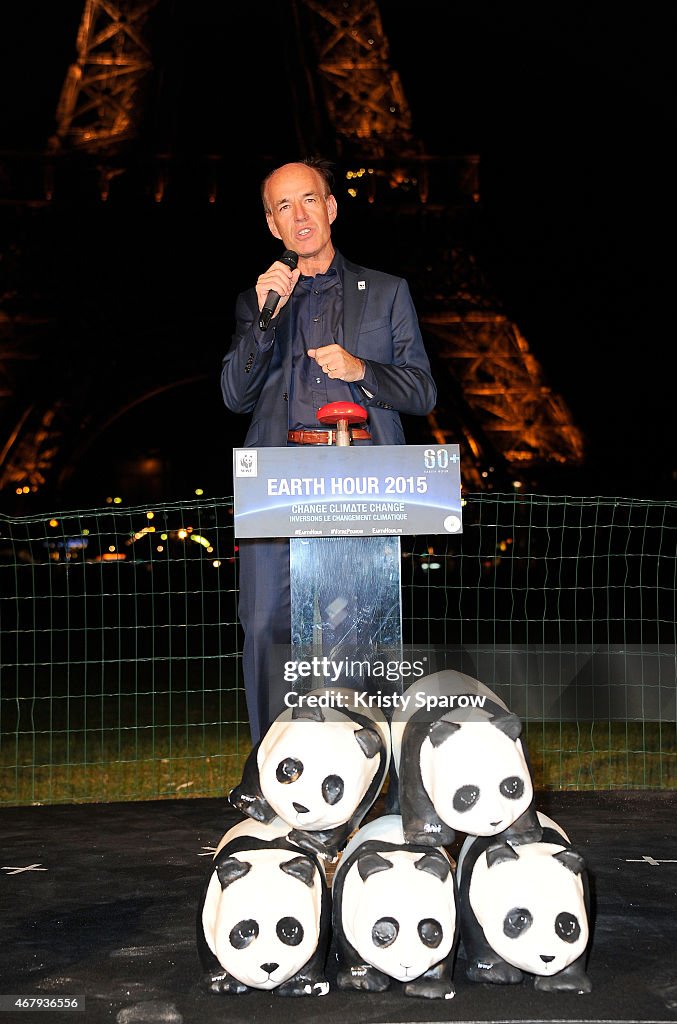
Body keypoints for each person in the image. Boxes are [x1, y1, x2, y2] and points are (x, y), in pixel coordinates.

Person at [221, 156, 437, 745]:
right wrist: (264, 322)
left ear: (331, 207)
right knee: (265, 625)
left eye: (309, 199)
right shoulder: (257, 301)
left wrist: (362, 369)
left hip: (360, 480)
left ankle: (362, 768)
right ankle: (273, 767)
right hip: (279, 481)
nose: (299, 214)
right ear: (273, 225)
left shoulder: (388, 292)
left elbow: (422, 389)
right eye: (283, 206)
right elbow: (235, 395)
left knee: (357, 633)